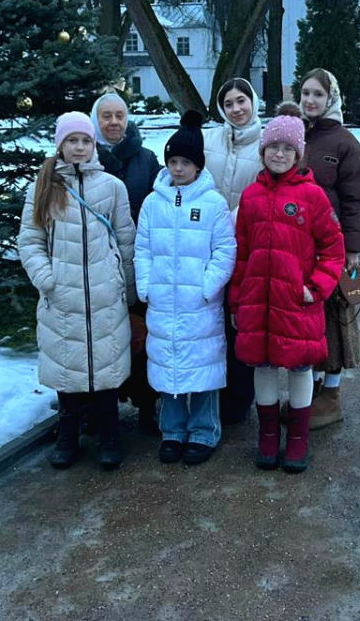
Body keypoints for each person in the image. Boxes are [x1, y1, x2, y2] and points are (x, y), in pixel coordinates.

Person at [17, 111, 136, 471]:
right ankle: (67, 434)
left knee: (107, 368)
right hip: (62, 297)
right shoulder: (44, 188)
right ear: (61, 145)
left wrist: (125, 288)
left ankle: (109, 436)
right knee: (66, 369)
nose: (80, 147)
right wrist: (47, 279)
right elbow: (30, 240)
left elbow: (126, 239)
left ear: (94, 144)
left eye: (85, 140)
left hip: (104, 296)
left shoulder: (112, 187)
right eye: (72, 140)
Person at [230, 104, 345, 473]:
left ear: (298, 154)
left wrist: (316, 288)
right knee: (262, 366)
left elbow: (333, 250)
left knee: (297, 370)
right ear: (262, 151)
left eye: (288, 149)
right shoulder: (250, 197)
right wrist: (237, 299)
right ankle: (267, 437)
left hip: (296, 302)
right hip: (257, 302)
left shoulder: (312, 197)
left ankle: (297, 439)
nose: (279, 154)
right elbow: (242, 253)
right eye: (273, 147)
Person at [135, 110, 237, 466]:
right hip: (163, 300)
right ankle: (173, 430)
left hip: (200, 303)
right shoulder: (153, 202)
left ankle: (204, 430)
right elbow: (142, 247)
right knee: (168, 365)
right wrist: (146, 286)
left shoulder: (213, 204)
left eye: (185, 162)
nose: (178, 168)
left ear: (198, 166)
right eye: (173, 161)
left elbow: (225, 249)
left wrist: (208, 286)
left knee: (203, 366)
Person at [298, 69, 360, 429]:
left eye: (318, 94)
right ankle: (309, 390)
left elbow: (357, 199)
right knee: (307, 317)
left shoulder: (344, 143)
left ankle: (332, 393)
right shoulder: (296, 135)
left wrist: (354, 250)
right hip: (300, 247)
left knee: (335, 318)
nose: (310, 100)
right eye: (306, 93)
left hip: (334, 248)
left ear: (332, 99)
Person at [90, 91, 160, 435]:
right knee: (102, 339)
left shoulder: (146, 159)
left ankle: (147, 408)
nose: (114, 122)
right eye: (107, 116)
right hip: (95, 266)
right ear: (95, 120)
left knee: (140, 338)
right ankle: (101, 412)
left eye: (120, 115)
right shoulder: (86, 158)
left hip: (134, 261)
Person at [202, 78, 262, 425]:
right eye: (229, 104)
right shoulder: (210, 139)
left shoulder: (267, 142)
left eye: (242, 101)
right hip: (207, 245)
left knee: (240, 322)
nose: (237, 109)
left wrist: (229, 224)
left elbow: (264, 188)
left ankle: (239, 398)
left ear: (252, 102)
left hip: (246, 246)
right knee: (212, 322)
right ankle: (211, 392)